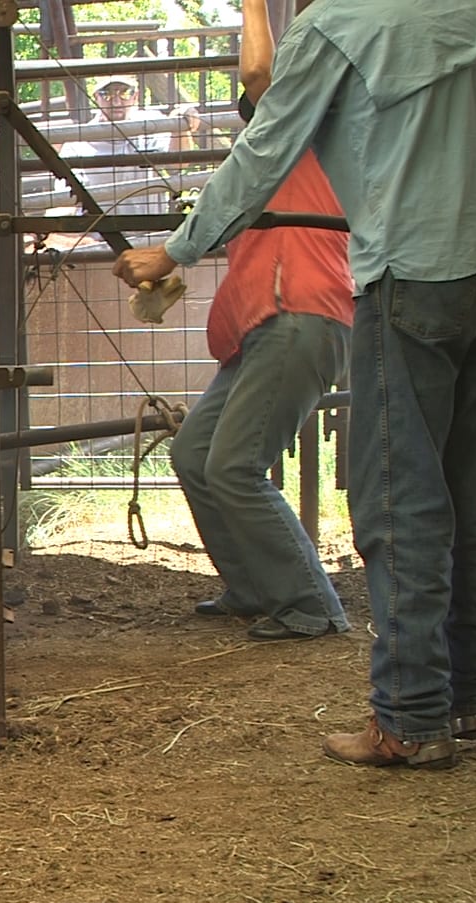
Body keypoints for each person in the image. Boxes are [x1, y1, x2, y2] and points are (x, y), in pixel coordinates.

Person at [114, 0, 476, 769]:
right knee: (466, 491)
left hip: (407, 273)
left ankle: (409, 717)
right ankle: (464, 699)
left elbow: (264, 142)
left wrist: (175, 250)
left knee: (396, 497)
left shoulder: (338, 25)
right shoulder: (461, 14)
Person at [172, 0, 353, 645]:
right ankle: (254, 587)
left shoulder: (301, 138)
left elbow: (258, 77)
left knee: (234, 465)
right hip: (263, 323)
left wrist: (252, 3)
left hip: (300, 313)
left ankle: (311, 603)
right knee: (194, 453)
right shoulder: (262, 167)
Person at [68, 73, 175, 216]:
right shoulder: (78, 144)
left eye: (124, 93)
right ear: (96, 98)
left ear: (135, 96)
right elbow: (66, 201)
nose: (116, 102)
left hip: (150, 231)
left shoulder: (152, 125)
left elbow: (177, 166)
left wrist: (180, 124)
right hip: (101, 236)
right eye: (107, 94)